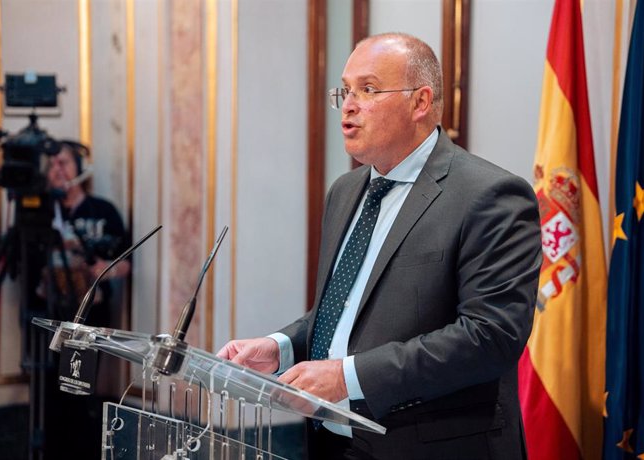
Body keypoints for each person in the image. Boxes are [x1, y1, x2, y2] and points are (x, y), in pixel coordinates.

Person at [218, 32, 542, 459]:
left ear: (420, 102)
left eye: (368, 90)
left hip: (432, 446)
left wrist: (347, 378)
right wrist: (282, 346)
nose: (348, 105)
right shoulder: (346, 191)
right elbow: (350, 310)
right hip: (333, 442)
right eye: (345, 90)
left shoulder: (490, 195)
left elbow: (489, 337)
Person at [39, 140, 131, 460]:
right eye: (51, 165)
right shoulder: (39, 214)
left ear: (79, 167)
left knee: (77, 388)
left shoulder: (102, 211)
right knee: (49, 390)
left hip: (87, 316)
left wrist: (100, 270)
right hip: (46, 314)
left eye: (63, 162)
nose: (57, 170)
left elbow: (125, 262)